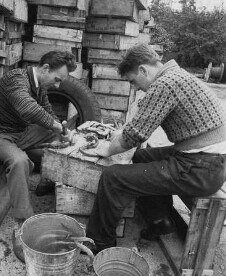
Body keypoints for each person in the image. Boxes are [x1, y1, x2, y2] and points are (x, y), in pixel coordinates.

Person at [86, 43, 226, 252]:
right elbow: (137, 130)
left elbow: (133, 136)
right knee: (142, 156)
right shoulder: (176, 75)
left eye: (133, 81)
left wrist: (106, 149)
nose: (134, 87)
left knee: (112, 178)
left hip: (201, 168)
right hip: (208, 161)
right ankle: (160, 221)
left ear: (143, 69)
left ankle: (100, 243)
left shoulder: (165, 84)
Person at [0, 51, 76, 221]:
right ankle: (24, 221)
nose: (57, 86)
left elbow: (48, 112)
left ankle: (49, 176)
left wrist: (63, 132)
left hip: (19, 133)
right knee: (20, 161)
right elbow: (27, 107)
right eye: (57, 79)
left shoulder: (39, 87)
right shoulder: (16, 79)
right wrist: (57, 127)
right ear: (45, 68)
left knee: (57, 133)